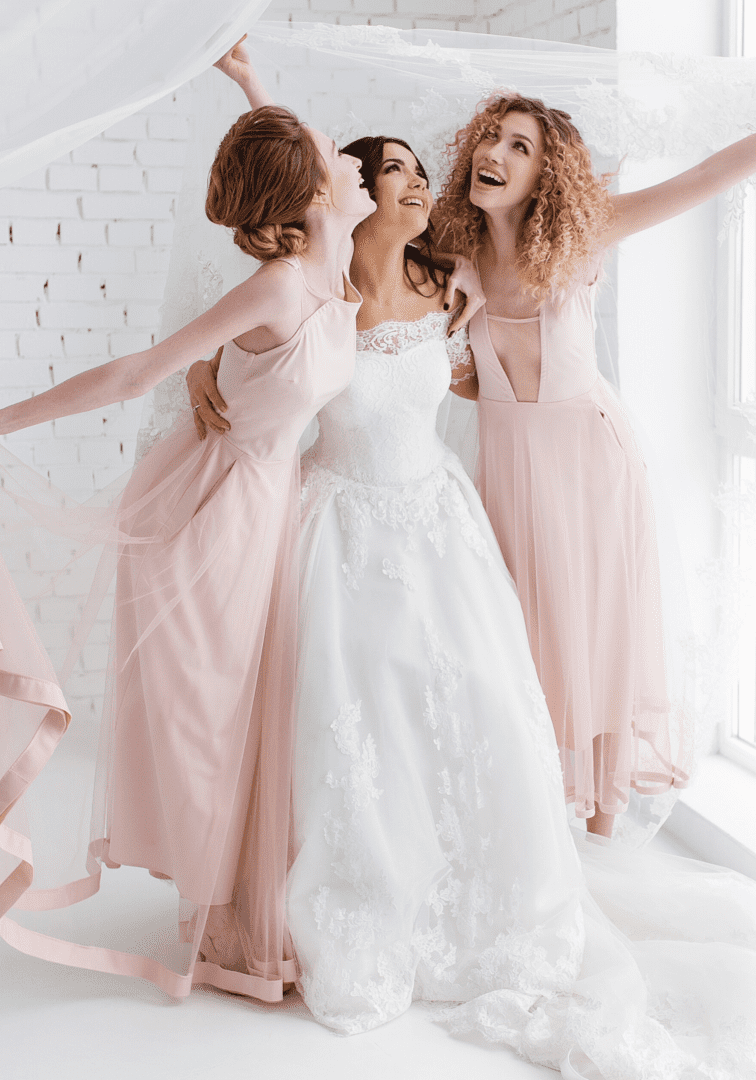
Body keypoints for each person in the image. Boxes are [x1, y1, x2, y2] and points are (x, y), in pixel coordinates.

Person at [190, 129, 756, 1080]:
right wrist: (206, 368)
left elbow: (677, 190)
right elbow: (253, 300)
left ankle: (507, 883)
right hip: (350, 530)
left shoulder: (486, 267)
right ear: (354, 193)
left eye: (422, 168)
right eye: (399, 171)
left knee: (490, 702)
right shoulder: (333, 293)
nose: (424, 181)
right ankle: (371, 903)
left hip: (471, 512)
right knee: (355, 726)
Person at [0, 96, 374, 1001]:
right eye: (340, 153)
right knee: (216, 714)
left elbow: (291, 159)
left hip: (274, 502)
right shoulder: (282, 285)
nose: (360, 160)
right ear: (315, 187)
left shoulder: (337, 270)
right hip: (215, 513)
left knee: (267, 713)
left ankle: (255, 905)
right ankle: (228, 921)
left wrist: (252, 83)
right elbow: (138, 372)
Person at [431, 95, 756, 836]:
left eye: (519, 146)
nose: (495, 153)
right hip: (508, 473)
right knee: (523, 644)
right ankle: (536, 828)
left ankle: (605, 838)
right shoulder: (450, 247)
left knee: (599, 636)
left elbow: (706, 176)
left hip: (591, 469)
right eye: (490, 138)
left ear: (547, 172)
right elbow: (339, 230)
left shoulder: (583, 235)